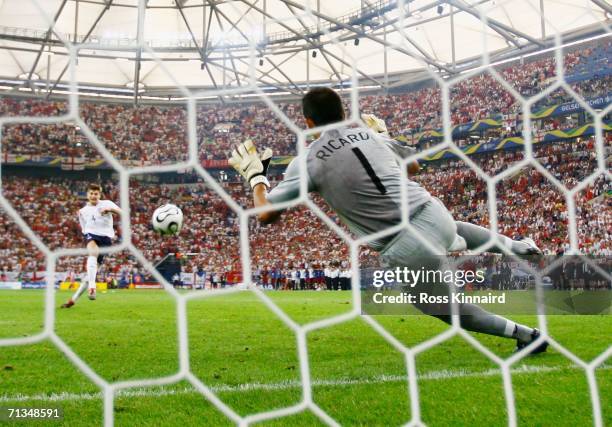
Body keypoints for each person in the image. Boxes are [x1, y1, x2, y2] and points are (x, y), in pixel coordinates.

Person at [228, 87, 547, 354]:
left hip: (406, 245)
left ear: (308, 122)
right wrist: (384, 138)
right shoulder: (369, 135)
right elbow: (414, 169)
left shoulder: (308, 161)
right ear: (343, 111)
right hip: (433, 213)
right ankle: (517, 246)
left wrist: (257, 178)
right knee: (458, 233)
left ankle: (526, 336)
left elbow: (266, 214)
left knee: (447, 309)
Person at [61, 184, 121, 308]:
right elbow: (84, 228)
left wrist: (110, 210)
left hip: (106, 238)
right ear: (87, 195)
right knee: (93, 252)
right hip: (91, 235)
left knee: (89, 275)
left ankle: (73, 299)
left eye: (96, 194)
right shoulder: (82, 212)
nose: (93, 196)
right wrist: (87, 235)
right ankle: (92, 287)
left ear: (100, 195)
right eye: (91, 193)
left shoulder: (107, 203)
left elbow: (124, 213)